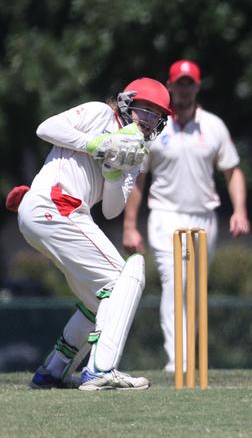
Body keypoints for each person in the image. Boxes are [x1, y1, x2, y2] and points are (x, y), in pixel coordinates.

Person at [11, 77, 172, 390]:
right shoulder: (100, 114)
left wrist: (114, 171)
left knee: (99, 299)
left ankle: (54, 370)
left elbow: (112, 210)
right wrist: (98, 144)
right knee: (124, 275)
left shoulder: (135, 157)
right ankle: (101, 369)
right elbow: (45, 128)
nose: (148, 121)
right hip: (54, 204)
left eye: (156, 117)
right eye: (145, 112)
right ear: (127, 104)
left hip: (62, 214)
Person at [122, 59, 250, 372]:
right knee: (173, 283)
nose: (183, 89)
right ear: (169, 86)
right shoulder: (154, 126)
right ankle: (176, 360)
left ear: (197, 86)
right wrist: (129, 226)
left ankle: (188, 357)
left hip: (203, 216)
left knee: (193, 288)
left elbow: (232, 171)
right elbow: (138, 179)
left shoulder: (213, 126)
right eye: (178, 83)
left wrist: (240, 211)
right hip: (165, 215)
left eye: (188, 83)